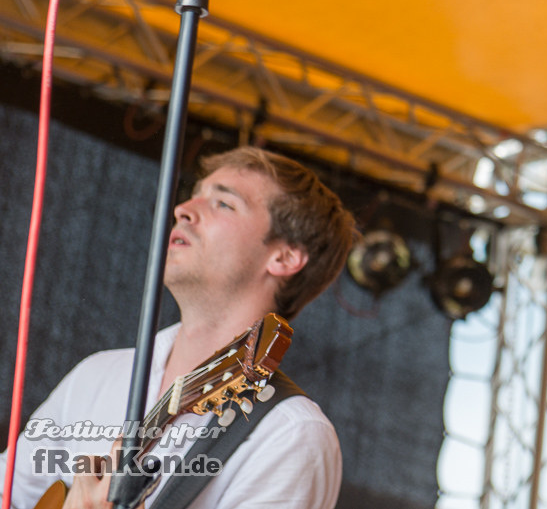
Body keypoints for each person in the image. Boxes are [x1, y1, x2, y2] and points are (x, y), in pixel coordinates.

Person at [1, 146, 359, 509]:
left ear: (284, 257)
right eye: (194, 195)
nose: (183, 210)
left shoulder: (289, 435)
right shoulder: (98, 374)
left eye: (223, 203)